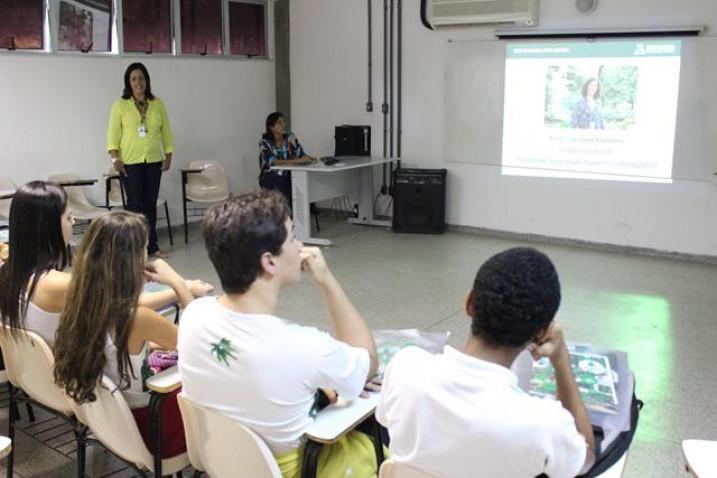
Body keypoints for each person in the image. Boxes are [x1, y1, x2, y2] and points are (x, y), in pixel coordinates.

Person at [178, 191, 380, 478]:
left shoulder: (194, 315)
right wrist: (327, 281)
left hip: (223, 463)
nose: (300, 247)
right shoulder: (304, 347)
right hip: (301, 469)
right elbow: (369, 363)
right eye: (292, 238)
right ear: (269, 261)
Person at [376, 247, 596, 478]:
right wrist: (561, 360)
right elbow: (586, 459)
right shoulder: (544, 424)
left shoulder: (406, 367)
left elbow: (385, 421)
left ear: (470, 302)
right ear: (540, 334)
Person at [0, 180, 210, 348]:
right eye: (69, 217)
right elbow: (127, 310)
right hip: (71, 385)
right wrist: (181, 286)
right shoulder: (58, 284)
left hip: (36, 379)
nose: (72, 223)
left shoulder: (8, 271)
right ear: (48, 227)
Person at [53, 211, 190, 459]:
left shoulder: (80, 304)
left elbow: (122, 351)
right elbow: (205, 344)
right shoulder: (137, 317)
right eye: (145, 249)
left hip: (109, 424)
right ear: (132, 260)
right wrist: (179, 284)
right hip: (151, 430)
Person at [107, 62, 174, 258]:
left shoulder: (158, 104)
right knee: (134, 205)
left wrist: (168, 155)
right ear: (128, 82)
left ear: (147, 81)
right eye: (134, 79)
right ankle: (133, 248)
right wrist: (114, 158)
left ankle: (152, 246)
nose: (138, 82)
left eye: (141, 78)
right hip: (130, 162)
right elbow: (113, 134)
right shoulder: (120, 106)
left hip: (153, 161)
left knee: (150, 204)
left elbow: (166, 132)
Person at [258, 112, 315, 207]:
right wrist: (297, 161)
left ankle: (300, 213)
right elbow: (273, 161)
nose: (283, 125)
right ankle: (289, 215)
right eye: (279, 123)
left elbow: (300, 154)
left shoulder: (290, 138)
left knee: (304, 181)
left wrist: (309, 158)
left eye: (284, 122)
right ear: (271, 127)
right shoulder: (265, 143)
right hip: (270, 176)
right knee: (284, 183)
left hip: (289, 175)